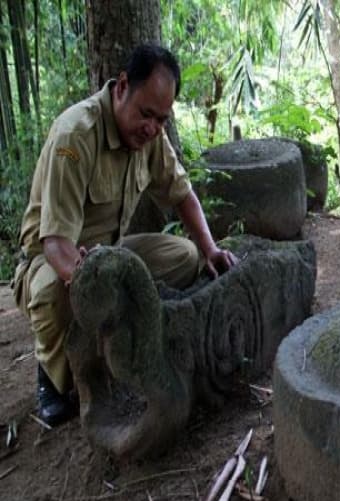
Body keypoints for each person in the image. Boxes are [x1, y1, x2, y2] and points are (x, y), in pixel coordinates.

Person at [13, 44, 236, 427]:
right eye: (146, 113)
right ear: (120, 88)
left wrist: (210, 249)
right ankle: (51, 376)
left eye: (161, 119)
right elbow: (55, 243)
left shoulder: (150, 137)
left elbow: (182, 194)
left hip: (111, 255)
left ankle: (118, 328)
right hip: (53, 262)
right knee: (55, 293)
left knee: (185, 255)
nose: (151, 127)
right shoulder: (75, 134)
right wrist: (94, 284)